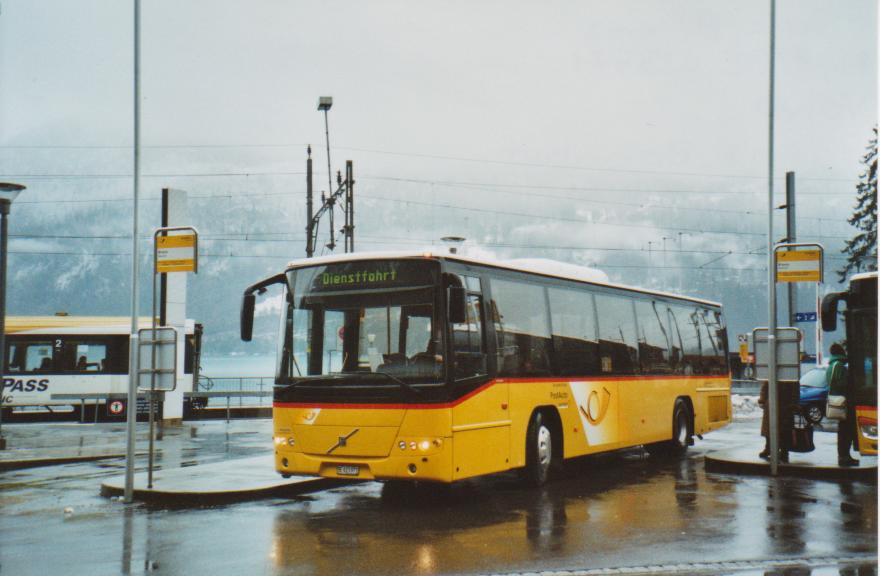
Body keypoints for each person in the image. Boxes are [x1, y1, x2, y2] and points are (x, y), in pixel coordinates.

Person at [827, 343, 858, 467]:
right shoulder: (839, 366)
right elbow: (842, 384)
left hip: (838, 401)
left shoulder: (831, 365)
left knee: (843, 430)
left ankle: (844, 456)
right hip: (844, 402)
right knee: (847, 430)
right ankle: (845, 457)